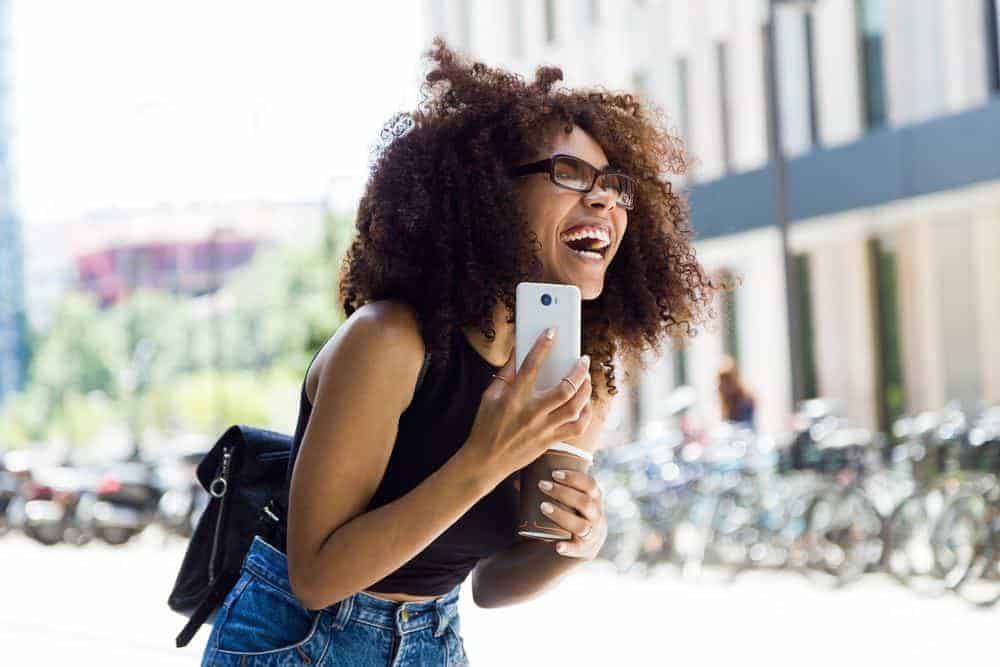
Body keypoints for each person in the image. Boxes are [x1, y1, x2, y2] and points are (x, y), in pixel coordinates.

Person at [200, 36, 714, 666]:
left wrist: (573, 544)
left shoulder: (569, 369)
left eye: (614, 184)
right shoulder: (387, 340)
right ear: (486, 196)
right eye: (570, 174)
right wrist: (487, 457)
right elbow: (317, 576)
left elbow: (492, 585)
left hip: (433, 640)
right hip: (302, 640)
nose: (604, 199)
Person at [717, 355, 756, 429]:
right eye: (721, 381)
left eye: (726, 380)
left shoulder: (746, 399)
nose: (722, 385)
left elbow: (747, 425)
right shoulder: (726, 399)